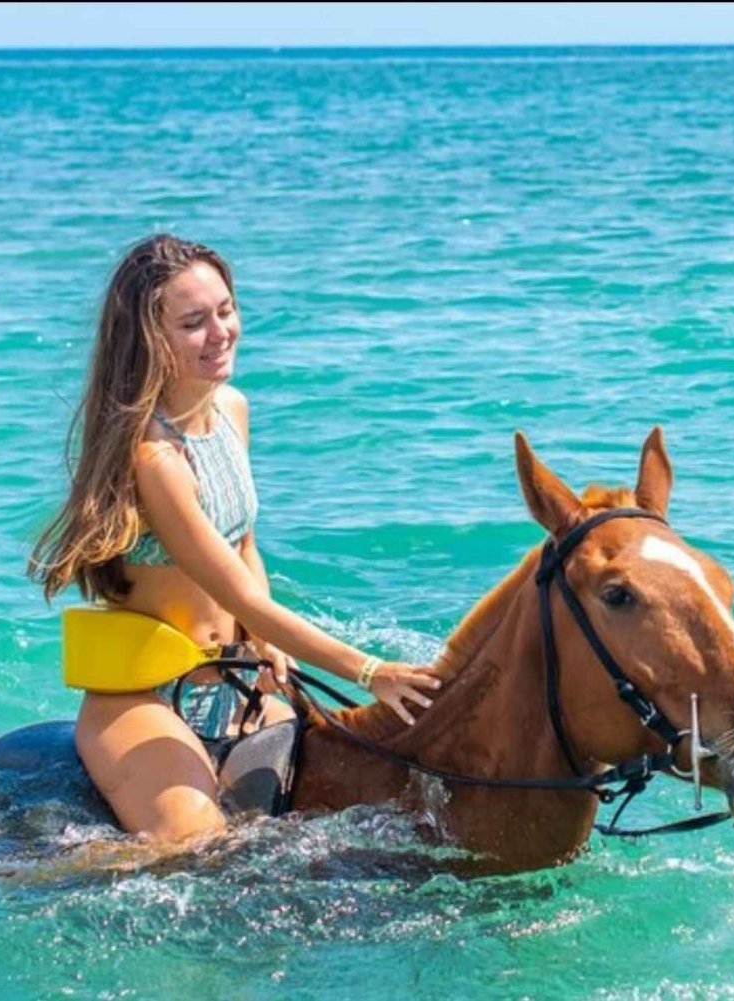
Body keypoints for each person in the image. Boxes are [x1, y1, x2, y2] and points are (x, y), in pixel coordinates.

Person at [29, 234, 440, 845]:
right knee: (195, 848)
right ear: (150, 339)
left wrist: (263, 646)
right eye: (193, 322)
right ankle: (26, 882)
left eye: (226, 310)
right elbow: (242, 596)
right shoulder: (155, 457)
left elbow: (244, 549)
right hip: (146, 699)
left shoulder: (231, 410)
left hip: (239, 682)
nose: (220, 332)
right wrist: (369, 669)